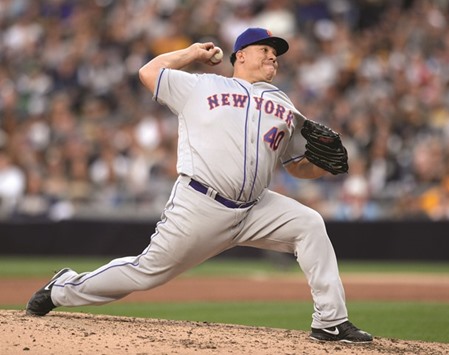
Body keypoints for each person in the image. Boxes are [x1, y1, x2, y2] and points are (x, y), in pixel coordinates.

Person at [26, 27, 373, 344]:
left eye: (276, 53)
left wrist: (323, 168)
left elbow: (297, 167)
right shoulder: (202, 85)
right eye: (264, 49)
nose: (272, 56)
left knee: (309, 224)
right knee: (146, 272)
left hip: (256, 207)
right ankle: (63, 288)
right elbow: (148, 72)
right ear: (241, 55)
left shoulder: (284, 106)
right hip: (202, 204)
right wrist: (192, 53)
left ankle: (330, 321)